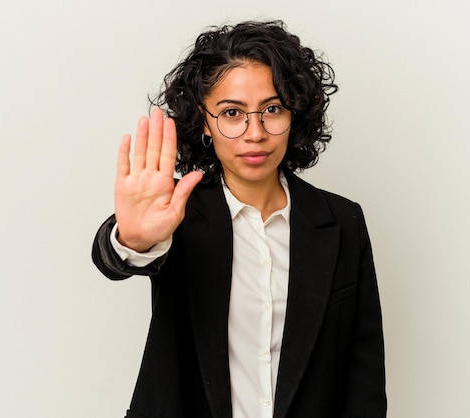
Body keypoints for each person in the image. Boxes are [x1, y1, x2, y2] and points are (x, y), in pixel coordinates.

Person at [92, 20, 386, 418]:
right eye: (232, 113)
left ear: (295, 114)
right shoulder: (176, 212)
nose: (255, 133)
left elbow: (363, 370)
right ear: (205, 121)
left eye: (272, 109)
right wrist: (132, 241)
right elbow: (117, 255)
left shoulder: (341, 220)